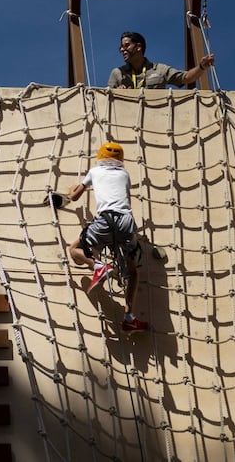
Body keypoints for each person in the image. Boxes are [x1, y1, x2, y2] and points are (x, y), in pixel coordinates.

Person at [67, 141, 148, 333]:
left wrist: (72, 189)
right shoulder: (124, 174)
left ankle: (98, 265)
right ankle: (129, 317)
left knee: (74, 249)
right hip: (125, 222)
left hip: (104, 220)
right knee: (133, 271)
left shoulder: (95, 171)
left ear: (100, 158)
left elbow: (74, 196)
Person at [108, 31, 214, 89]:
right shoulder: (117, 73)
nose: (122, 50)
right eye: (121, 47)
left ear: (138, 47)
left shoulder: (160, 70)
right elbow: (105, 100)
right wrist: (117, 92)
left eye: (126, 46)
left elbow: (186, 78)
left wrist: (201, 67)